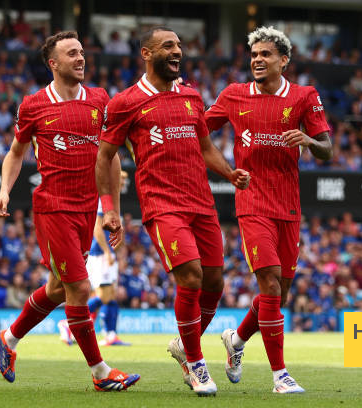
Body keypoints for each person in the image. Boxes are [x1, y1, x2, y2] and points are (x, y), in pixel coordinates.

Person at [95, 26, 249, 396]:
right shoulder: (125, 102)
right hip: (162, 205)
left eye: (179, 45)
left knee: (215, 282)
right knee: (191, 277)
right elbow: (104, 156)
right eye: (168, 46)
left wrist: (229, 171)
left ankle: (183, 345)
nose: (177, 51)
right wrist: (109, 209)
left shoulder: (193, 97)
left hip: (202, 202)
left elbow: (205, 146)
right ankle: (197, 364)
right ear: (147, 54)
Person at [0, 31, 139, 391]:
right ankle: (102, 374)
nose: (80, 58)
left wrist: (111, 209)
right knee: (80, 287)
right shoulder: (34, 105)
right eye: (71, 53)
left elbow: (111, 157)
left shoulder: (100, 100)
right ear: (53, 63)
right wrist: (4, 190)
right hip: (53, 207)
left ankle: (7, 339)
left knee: (58, 288)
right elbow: (15, 151)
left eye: (82, 52)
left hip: (88, 208)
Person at [205, 26, 333, 394]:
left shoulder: (305, 96)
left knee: (281, 294)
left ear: (284, 60)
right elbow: (199, 131)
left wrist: (308, 140)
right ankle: (280, 375)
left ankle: (237, 339)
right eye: (254, 54)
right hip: (252, 202)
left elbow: (327, 149)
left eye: (266, 55)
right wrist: (227, 170)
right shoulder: (233, 95)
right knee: (271, 283)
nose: (258, 60)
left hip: (288, 206)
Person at [58, 171, 130, 347]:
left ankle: (111, 335)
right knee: (104, 295)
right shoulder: (103, 199)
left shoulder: (114, 200)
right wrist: (106, 251)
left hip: (109, 253)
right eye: (120, 179)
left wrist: (118, 253)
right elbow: (97, 228)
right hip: (99, 253)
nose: (123, 182)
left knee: (111, 295)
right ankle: (67, 323)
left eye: (124, 180)